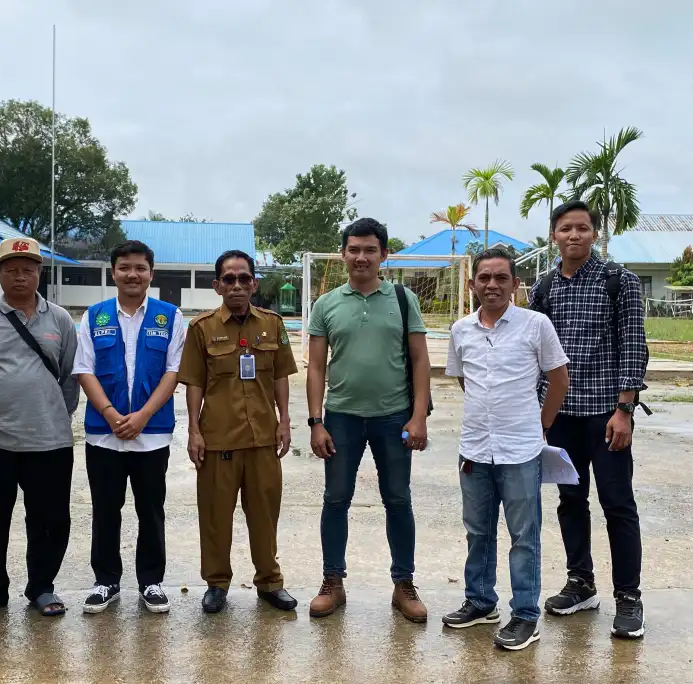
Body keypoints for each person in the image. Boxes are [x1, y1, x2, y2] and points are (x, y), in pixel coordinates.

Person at [530, 200, 648, 639]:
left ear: (594, 234)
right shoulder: (543, 288)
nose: (574, 235)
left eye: (582, 228)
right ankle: (581, 582)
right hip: (560, 415)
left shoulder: (620, 281)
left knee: (618, 504)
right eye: (565, 229)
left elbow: (634, 345)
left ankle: (629, 598)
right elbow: (537, 353)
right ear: (554, 236)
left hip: (606, 414)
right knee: (570, 502)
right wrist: (538, 415)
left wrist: (625, 409)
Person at [442, 247, 570, 651]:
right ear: (472, 284)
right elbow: (466, 381)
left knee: (523, 536)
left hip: (521, 450)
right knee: (477, 531)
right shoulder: (461, 330)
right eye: (484, 278)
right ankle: (481, 602)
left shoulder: (536, 325)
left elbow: (558, 379)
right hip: (475, 450)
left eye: (501, 278)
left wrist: (541, 425)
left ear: (516, 284)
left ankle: (526, 615)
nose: (492, 285)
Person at [306, 218, 431, 622]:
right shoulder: (326, 304)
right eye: (354, 249)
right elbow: (316, 369)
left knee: (398, 499)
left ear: (383, 255)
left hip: (393, 418)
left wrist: (418, 416)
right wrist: (315, 421)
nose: (361, 257)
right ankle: (332, 582)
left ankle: (404, 584)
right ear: (343, 253)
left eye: (370, 250)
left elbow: (419, 359)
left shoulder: (402, 298)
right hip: (341, 417)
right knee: (335, 500)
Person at [0, 236, 80, 621]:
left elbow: (72, 375)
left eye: (28, 270)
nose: (20, 277)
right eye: (11, 270)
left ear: (40, 273)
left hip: (50, 442)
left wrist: (55, 412)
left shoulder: (60, 320)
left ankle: (42, 587)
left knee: (50, 521)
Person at [177, 249, 298, 614]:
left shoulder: (272, 325)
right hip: (218, 440)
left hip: (262, 439)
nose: (237, 285)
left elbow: (279, 376)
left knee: (265, 515)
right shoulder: (202, 329)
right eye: (228, 279)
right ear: (217, 286)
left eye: (244, 278)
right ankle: (216, 583)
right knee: (215, 516)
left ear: (254, 283)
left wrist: (285, 420)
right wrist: (194, 431)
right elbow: (194, 383)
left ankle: (269, 582)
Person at [74, 240, 186, 615]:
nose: (132, 274)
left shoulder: (169, 317)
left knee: (150, 510)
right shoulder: (95, 316)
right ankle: (105, 581)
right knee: (106, 509)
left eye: (140, 268)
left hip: (151, 435)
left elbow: (174, 372)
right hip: (102, 434)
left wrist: (142, 417)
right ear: (114, 272)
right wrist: (109, 412)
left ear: (151, 273)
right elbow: (84, 369)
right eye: (125, 267)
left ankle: (151, 581)